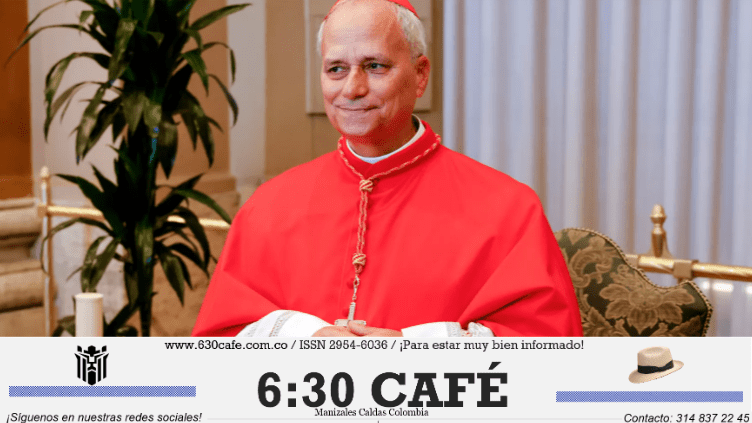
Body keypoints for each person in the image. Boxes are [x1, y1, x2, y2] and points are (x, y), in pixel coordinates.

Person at [192, 0, 583, 337]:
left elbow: (546, 352)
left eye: (375, 66)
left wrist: (413, 351)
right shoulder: (268, 206)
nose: (352, 89)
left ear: (420, 75)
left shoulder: (509, 209)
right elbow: (219, 344)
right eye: (336, 69)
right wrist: (304, 334)